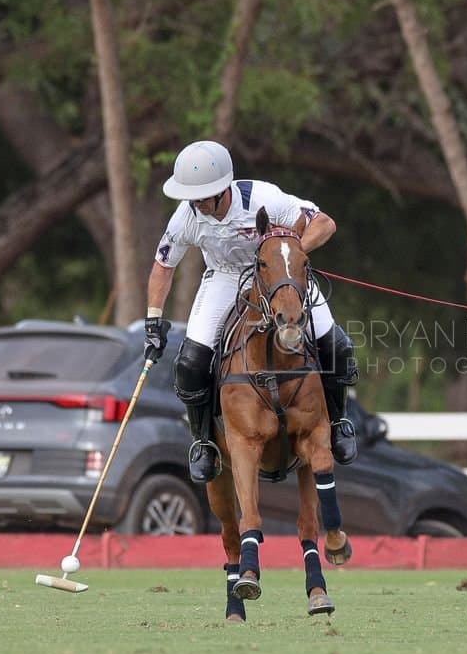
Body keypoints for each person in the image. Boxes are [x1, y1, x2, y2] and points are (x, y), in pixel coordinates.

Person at [143, 140, 358, 483]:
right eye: (192, 196)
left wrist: (286, 257)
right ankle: (203, 442)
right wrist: (153, 319)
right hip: (225, 278)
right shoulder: (185, 217)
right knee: (190, 362)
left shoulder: (263, 198)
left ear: (223, 189)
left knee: (337, 346)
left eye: (203, 196)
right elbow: (163, 266)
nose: (197, 204)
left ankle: (338, 423)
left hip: (278, 276)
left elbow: (324, 224)